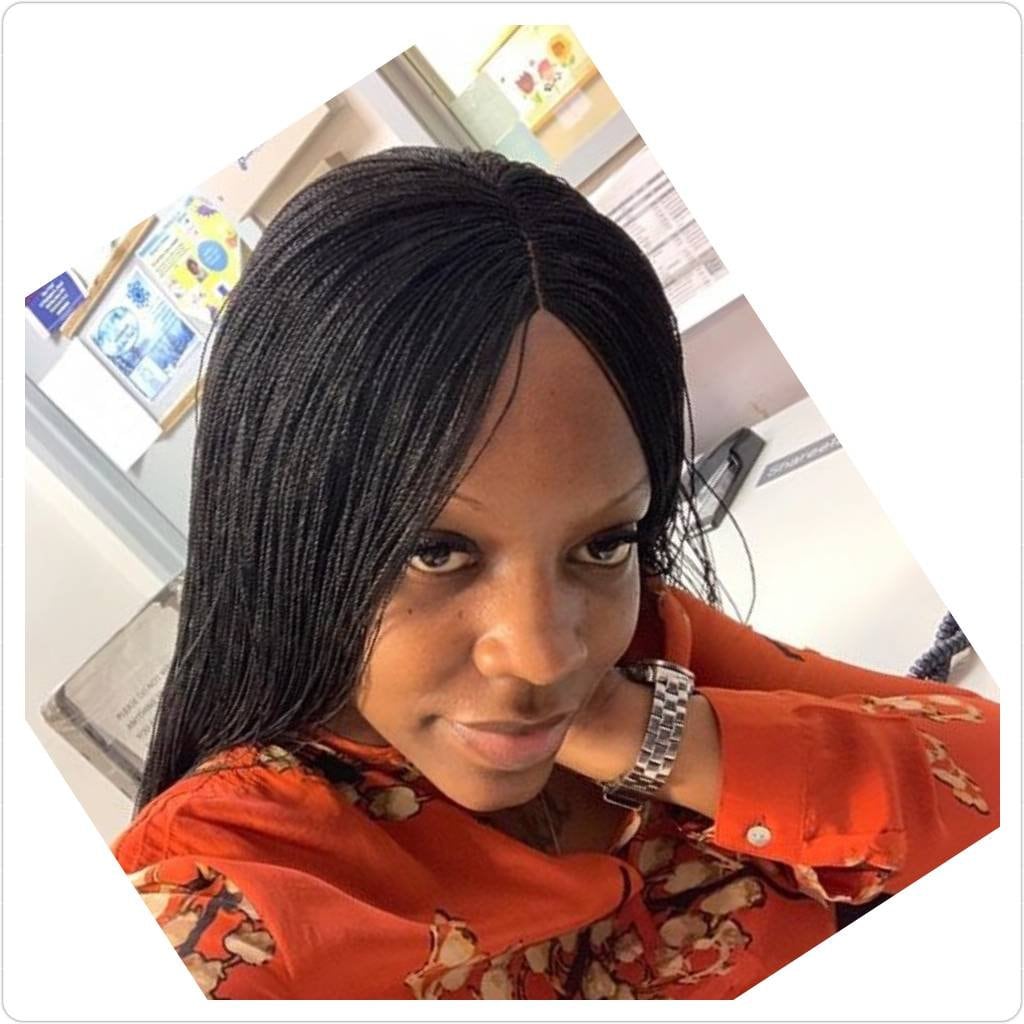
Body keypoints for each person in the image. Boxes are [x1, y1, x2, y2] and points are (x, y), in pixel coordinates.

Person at [112, 146, 999, 1000]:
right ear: (284, 535)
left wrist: (653, 739)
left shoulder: (643, 648)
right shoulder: (230, 892)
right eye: (435, 552)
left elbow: (986, 768)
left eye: (604, 541)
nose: (545, 655)